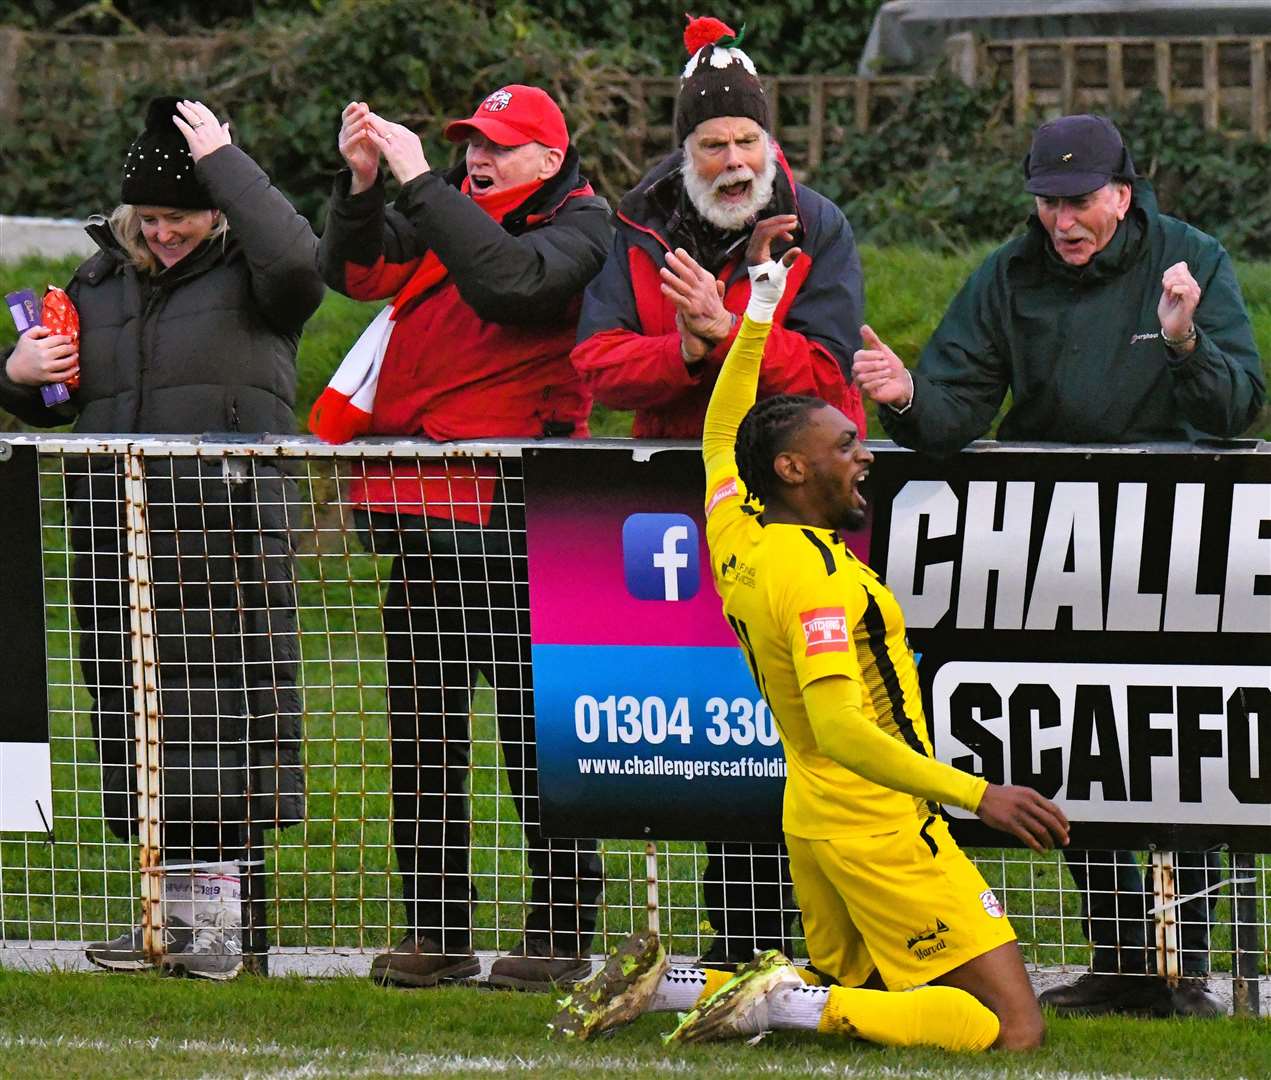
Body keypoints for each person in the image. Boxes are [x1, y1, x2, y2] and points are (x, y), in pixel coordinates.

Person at [550, 217, 1070, 1051]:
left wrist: (757, 310)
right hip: (876, 822)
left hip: (812, 813)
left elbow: (722, 432)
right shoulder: (814, 576)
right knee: (1012, 1030)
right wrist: (979, 795)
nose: (862, 455)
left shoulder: (739, 533)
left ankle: (677, 983)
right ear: (792, 468)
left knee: (856, 987)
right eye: (844, 444)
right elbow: (837, 725)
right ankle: (773, 1002)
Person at [854, 114, 1265, 1017]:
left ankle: (1181, 963)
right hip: (1051, 545)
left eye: (1078, 202)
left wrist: (1184, 340)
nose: (1062, 221)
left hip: (1175, 544)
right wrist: (909, 396)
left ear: (1122, 192)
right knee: (1072, 743)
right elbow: (956, 402)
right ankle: (1123, 959)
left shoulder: (1190, 258)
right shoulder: (1008, 272)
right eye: (1046, 203)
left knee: (1174, 738)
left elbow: (1237, 407)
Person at [0, 97, 322, 980]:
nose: (165, 234)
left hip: (225, 540)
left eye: (181, 216)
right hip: (114, 541)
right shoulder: (96, 282)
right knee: (137, 726)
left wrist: (223, 156)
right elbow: (56, 397)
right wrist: (17, 373)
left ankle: (227, 932)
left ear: (218, 207)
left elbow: (301, 257)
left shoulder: (261, 276)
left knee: (224, 722)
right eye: (151, 218)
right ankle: (165, 925)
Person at [571, 13, 867, 966]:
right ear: (684, 149)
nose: (734, 160)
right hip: (674, 512)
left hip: (795, 519)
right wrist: (689, 346)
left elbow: (825, 376)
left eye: (746, 140)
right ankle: (730, 944)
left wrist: (739, 330)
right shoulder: (637, 226)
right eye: (713, 144)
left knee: (806, 724)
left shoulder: (819, 223)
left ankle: (825, 940)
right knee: (697, 727)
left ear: (770, 141)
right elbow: (597, 364)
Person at [314, 85, 610, 991]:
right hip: (422, 515)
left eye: (498, 145)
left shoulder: (587, 227)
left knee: (536, 738)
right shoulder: (453, 210)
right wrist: (363, 186)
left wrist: (419, 184)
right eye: (469, 143)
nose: (475, 157)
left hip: (515, 519)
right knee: (425, 737)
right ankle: (436, 929)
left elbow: (512, 286)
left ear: (550, 161)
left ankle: (559, 930)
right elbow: (354, 271)